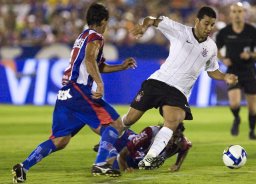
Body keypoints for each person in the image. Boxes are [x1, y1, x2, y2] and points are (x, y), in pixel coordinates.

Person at [12, 3, 136, 183]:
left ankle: (23, 167)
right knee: (115, 124)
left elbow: (97, 64)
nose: (107, 26)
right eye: (107, 22)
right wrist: (99, 84)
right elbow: (89, 60)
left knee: (61, 140)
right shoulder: (96, 37)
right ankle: (101, 164)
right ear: (102, 21)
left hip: (66, 94)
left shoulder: (83, 36)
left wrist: (121, 67)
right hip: (79, 90)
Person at [121, 6, 238, 169]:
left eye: (212, 25)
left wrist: (225, 76)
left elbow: (212, 70)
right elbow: (151, 20)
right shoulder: (179, 30)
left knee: (174, 120)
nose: (209, 28)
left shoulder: (211, 47)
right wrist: (143, 26)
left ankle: (149, 158)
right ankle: (109, 139)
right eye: (206, 24)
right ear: (197, 21)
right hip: (158, 82)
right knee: (129, 119)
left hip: (179, 92)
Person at [215, 2, 256, 140]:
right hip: (233, 71)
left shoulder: (252, 31)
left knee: (252, 107)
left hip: (249, 70)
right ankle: (236, 118)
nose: (237, 14)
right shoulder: (224, 32)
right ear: (230, 14)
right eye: (234, 11)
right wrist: (223, 59)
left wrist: (251, 55)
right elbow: (215, 50)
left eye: (240, 11)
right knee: (234, 103)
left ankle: (252, 131)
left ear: (244, 13)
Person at [117, 123, 192, 172]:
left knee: (142, 162)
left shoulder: (180, 141)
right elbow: (122, 155)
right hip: (121, 142)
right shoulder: (150, 132)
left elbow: (186, 147)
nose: (172, 140)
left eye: (175, 136)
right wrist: (125, 169)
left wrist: (177, 165)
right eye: (170, 135)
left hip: (140, 154)